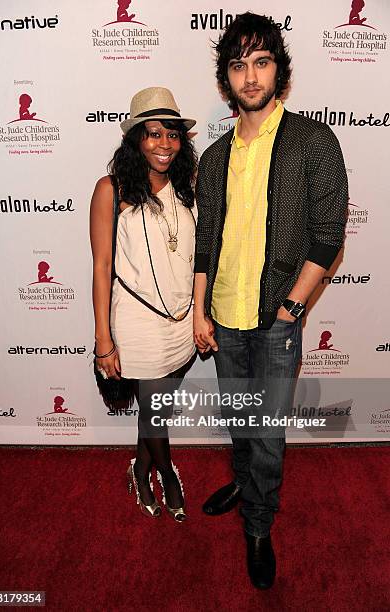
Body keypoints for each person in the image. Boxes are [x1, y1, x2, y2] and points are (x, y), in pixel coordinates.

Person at [193, 13, 348, 588]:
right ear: (226, 80)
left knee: (269, 430)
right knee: (240, 418)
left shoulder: (313, 141)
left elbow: (328, 237)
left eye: (261, 63)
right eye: (239, 65)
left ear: (278, 71)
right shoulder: (213, 158)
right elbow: (207, 238)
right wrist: (200, 308)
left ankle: (258, 525)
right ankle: (242, 480)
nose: (250, 76)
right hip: (225, 315)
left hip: (277, 317)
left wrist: (292, 311)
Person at [90, 87, 197, 522]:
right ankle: (165, 473)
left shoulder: (187, 190)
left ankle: (139, 467)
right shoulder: (111, 190)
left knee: (155, 408)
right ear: (136, 139)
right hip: (135, 322)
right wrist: (103, 339)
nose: (164, 144)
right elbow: (101, 267)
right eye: (153, 134)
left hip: (179, 321)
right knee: (156, 408)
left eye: (172, 135)